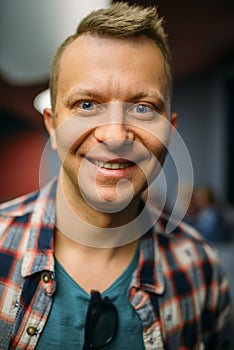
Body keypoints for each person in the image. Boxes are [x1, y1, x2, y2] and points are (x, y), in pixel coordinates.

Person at [0, 2, 231, 349]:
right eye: (87, 105)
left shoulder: (201, 269)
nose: (114, 136)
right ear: (52, 124)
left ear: (169, 131)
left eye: (143, 108)